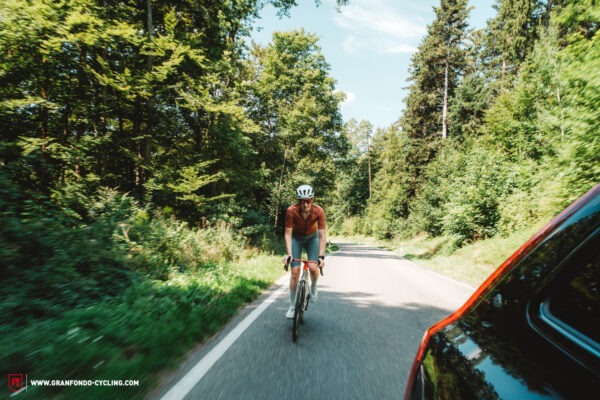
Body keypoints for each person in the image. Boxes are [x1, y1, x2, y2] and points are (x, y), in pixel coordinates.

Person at [283, 184, 327, 319]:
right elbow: (288, 234)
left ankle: (313, 286)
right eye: (302, 201)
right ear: (298, 201)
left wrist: (321, 256)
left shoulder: (319, 211)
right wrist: (289, 254)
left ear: (312, 199)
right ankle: (292, 306)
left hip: (312, 238)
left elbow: (322, 235)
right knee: (295, 272)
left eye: (307, 200)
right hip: (296, 238)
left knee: (313, 267)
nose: (305, 204)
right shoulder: (291, 211)